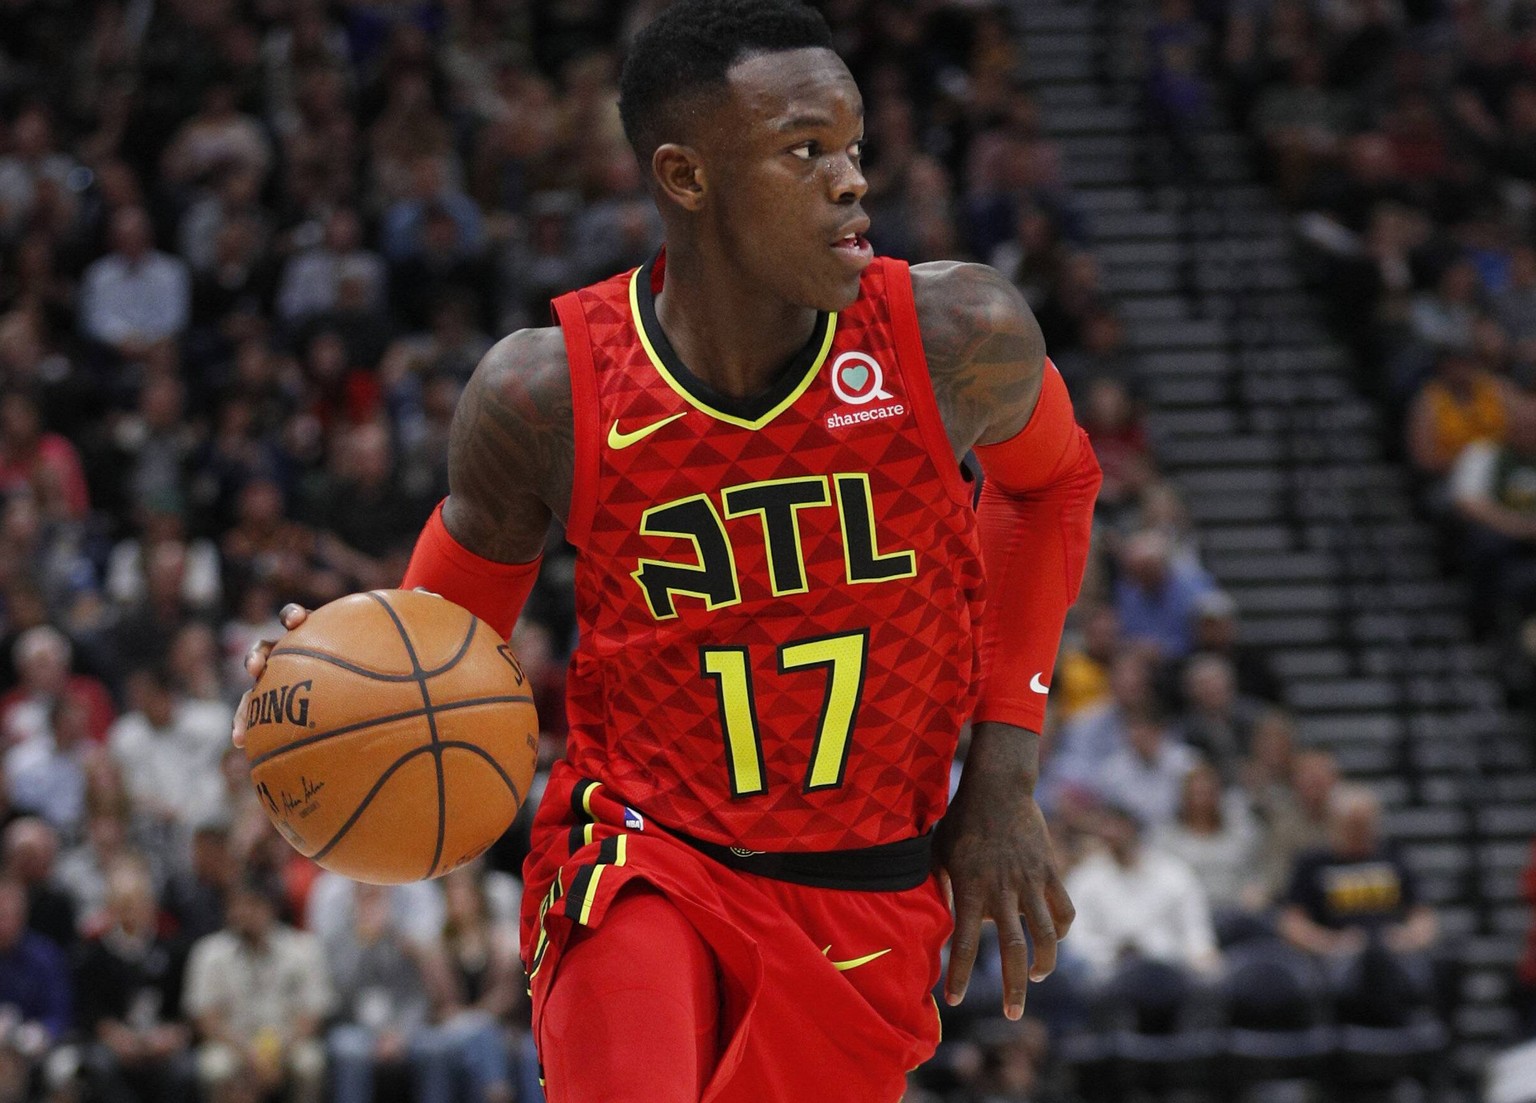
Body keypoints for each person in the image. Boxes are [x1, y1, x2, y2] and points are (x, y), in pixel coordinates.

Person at [234, 2, 1101, 1100]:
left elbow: (1052, 485)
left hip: (867, 889)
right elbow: (431, 652)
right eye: (804, 150)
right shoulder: (541, 395)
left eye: (852, 147)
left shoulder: (958, 338)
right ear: (685, 177)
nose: (850, 181)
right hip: (645, 853)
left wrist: (1006, 775)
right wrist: (322, 680)